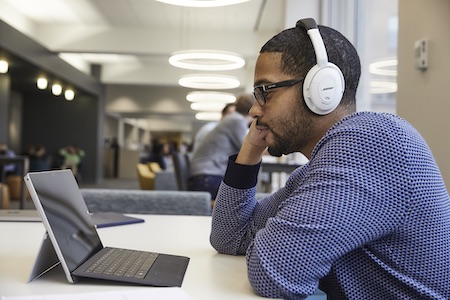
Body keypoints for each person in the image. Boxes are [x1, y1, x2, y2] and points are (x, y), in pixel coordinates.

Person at [210, 18, 450, 299]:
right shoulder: (315, 170)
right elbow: (229, 237)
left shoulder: (374, 142)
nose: (253, 110)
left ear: (322, 89)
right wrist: (250, 149)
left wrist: (274, 238)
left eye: (265, 92)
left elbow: (274, 272)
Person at [188, 94, 254, 199]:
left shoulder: (233, 119)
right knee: (243, 197)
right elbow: (249, 149)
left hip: (204, 176)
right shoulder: (237, 120)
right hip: (208, 177)